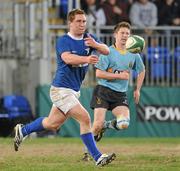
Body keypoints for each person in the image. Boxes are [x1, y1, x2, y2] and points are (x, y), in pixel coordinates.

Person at [13, 9, 116, 166]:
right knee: (85, 118)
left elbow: (107, 51)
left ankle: (23, 131)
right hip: (61, 89)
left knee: (52, 124)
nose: (82, 24)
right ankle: (98, 157)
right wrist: (87, 58)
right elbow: (67, 58)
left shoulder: (89, 38)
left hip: (73, 90)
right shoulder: (63, 40)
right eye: (78, 21)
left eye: (84, 21)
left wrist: (96, 45)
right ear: (70, 23)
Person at [82, 21, 145, 160]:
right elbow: (98, 74)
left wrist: (138, 89)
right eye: (122, 33)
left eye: (127, 33)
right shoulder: (107, 52)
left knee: (124, 123)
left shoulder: (134, 53)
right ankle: (87, 152)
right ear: (115, 35)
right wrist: (119, 75)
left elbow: (142, 70)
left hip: (120, 94)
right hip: (103, 90)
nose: (125, 36)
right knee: (96, 125)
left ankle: (106, 126)